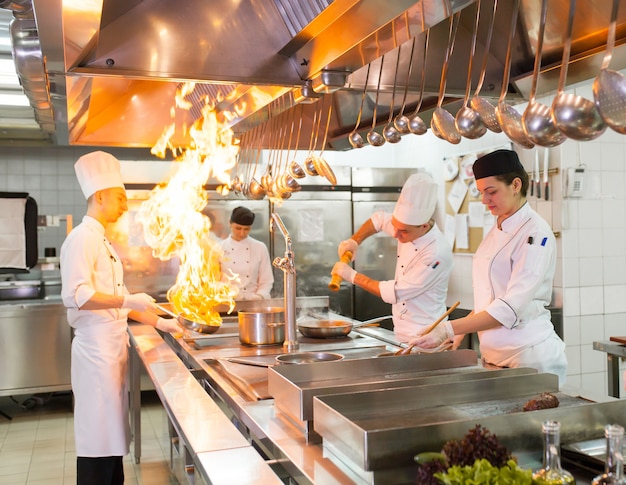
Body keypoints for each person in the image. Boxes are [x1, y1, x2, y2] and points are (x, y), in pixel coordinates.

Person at [60, 151, 181, 485]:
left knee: (112, 443)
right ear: (99, 197)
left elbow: (121, 305)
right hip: (95, 354)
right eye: (119, 198)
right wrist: (127, 298)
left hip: (111, 352)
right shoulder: (81, 239)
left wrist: (162, 322)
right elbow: (77, 296)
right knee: (97, 443)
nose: (125, 206)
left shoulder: (103, 241)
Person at [409, 149, 567, 385]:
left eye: (491, 192)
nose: (484, 200)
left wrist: (449, 329)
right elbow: (493, 298)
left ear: (515, 185)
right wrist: (461, 331)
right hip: (495, 356)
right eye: (481, 192)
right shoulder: (498, 227)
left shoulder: (536, 233)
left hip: (529, 357)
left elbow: (510, 308)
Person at [331, 172, 453, 343]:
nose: (395, 234)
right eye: (395, 226)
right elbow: (378, 220)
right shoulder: (405, 226)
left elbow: (396, 291)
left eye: (403, 231)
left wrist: (352, 276)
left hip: (427, 337)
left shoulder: (436, 253)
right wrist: (354, 241)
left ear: (424, 226)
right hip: (400, 334)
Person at [218, 206, 274, 300]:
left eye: (246, 229)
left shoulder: (260, 247)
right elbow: (213, 280)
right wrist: (227, 293)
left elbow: (266, 280)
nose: (242, 233)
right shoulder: (219, 248)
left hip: (253, 302)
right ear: (229, 223)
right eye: (238, 228)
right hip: (226, 302)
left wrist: (259, 296)